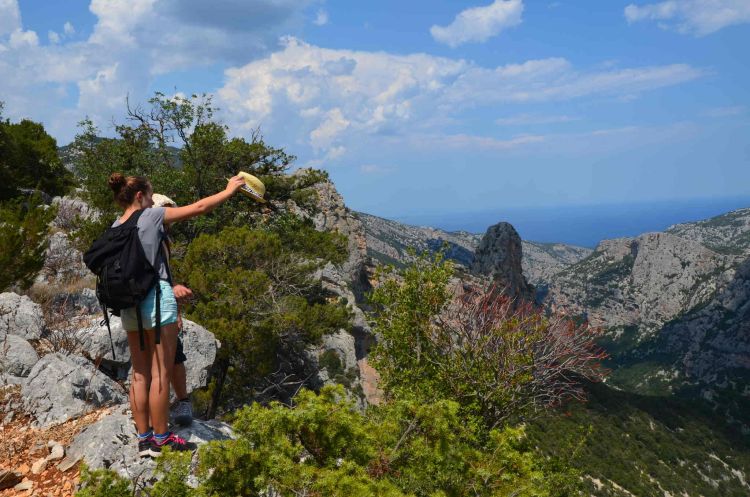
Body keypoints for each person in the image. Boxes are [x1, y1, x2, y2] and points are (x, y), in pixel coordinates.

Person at [108, 173, 245, 457]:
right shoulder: (151, 216)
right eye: (150, 193)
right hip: (156, 299)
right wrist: (229, 190)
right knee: (162, 372)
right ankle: (162, 439)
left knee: (140, 374)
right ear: (140, 196)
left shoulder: (116, 225)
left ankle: (144, 438)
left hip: (128, 304)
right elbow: (198, 208)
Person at [151, 193, 193, 427]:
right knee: (169, 358)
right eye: (165, 211)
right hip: (155, 303)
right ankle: (168, 416)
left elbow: (165, 273)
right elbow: (159, 275)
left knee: (155, 362)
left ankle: (172, 407)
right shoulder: (154, 237)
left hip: (144, 304)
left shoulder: (160, 237)